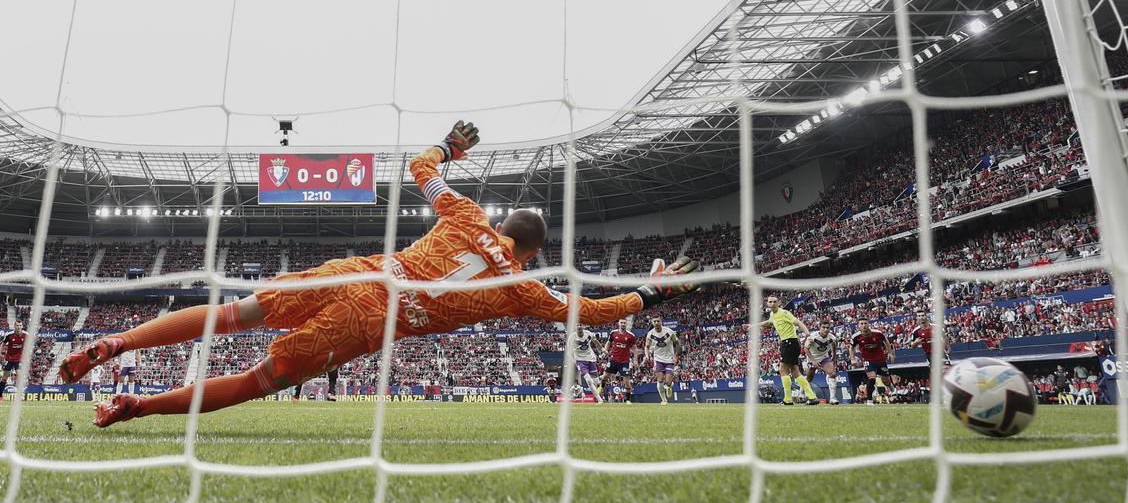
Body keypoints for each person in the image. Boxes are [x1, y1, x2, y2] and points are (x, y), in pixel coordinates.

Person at [61, 122, 700, 427]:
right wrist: (648, 291)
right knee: (262, 378)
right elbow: (590, 313)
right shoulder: (523, 289)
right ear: (530, 250)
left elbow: (421, 168)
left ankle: (117, 342)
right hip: (370, 320)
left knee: (235, 314)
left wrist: (452, 146)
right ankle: (135, 407)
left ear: (504, 225)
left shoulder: (467, 211)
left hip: (357, 271)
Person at [759, 295, 818, 406]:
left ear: (779, 302)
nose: (772, 303)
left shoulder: (784, 313)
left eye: (774, 301)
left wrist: (808, 334)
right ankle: (812, 396)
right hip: (789, 343)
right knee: (795, 372)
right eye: (770, 302)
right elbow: (768, 323)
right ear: (767, 303)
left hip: (789, 342)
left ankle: (788, 399)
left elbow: (798, 322)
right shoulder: (773, 315)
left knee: (783, 369)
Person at [850, 319, 894, 403]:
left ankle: (889, 385)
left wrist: (890, 353)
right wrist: (853, 359)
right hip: (868, 360)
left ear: (868, 324)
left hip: (880, 359)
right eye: (861, 324)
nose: (864, 325)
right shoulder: (856, 337)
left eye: (865, 323)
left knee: (885, 380)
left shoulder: (877, 333)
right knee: (872, 379)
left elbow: (886, 341)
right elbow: (851, 347)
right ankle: (869, 400)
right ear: (858, 326)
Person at [644, 315, 681, 406]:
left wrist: (676, 356)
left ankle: (669, 387)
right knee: (660, 380)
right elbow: (647, 346)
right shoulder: (650, 334)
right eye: (654, 321)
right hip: (658, 359)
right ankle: (664, 400)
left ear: (661, 322)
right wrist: (647, 354)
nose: (656, 323)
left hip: (669, 359)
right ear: (652, 323)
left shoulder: (669, 331)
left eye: (658, 321)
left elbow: (677, 343)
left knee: (668, 382)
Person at [601, 319, 638, 404]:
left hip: (624, 362)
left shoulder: (630, 336)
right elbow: (608, 342)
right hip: (613, 360)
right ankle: (601, 392)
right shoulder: (613, 333)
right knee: (604, 377)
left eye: (624, 323)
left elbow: (635, 348)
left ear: (626, 324)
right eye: (621, 323)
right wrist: (606, 350)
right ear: (618, 323)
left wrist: (635, 360)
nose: (623, 324)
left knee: (626, 381)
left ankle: (628, 399)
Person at [803, 322, 839, 404]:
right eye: (823, 327)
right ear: (820, 327)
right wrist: (813, 360)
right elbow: (806, 349)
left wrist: (833, 356)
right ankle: (802, 393)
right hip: (812, 358)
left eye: (827, 328)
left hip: (824, 357)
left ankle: (833, 398)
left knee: (832, 374)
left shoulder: (832, 338)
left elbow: (833, 345)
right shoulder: (812, 337)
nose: (826, 329)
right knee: (809, 378)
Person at [570, 324, 606, 403]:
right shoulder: (572, 337)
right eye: (577, 326)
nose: (579, 328)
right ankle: (599, 400)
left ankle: (601, 380)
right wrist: (573, 361)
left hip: (590, 359)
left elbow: (595, 341)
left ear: (583, 327)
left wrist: (603, 349)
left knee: (596, 382)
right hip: (580, 360)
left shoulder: (588, 334)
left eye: (580, 326)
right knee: (588, 380)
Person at [0, 321, 27, 401]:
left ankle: (20, 395)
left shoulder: (26, 335)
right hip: (9, 359)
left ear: (22, 326)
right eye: (17, 325)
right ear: (14, 326)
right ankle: (0, 396)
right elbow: (2, 344)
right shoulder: (9, 335)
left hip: (19, 359)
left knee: (19, 376)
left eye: (20, 325)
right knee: (4, 378)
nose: (19, 327)